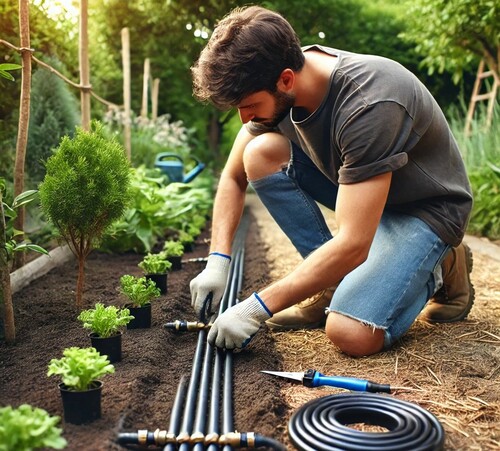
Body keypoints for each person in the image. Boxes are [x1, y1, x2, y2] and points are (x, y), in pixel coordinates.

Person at [189, 5, 474, 356]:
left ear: (286, 80)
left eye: (248, 104)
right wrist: (218, 261)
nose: (244, 117)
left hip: (425, 209)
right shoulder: (277, 74)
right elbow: (234, 177)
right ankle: (331, 284)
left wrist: (256, 307)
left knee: (350, 333)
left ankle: (444, 263)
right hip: (364, 197)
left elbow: (355, 243)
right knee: (259, 154)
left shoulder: (369, 103)